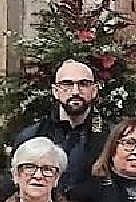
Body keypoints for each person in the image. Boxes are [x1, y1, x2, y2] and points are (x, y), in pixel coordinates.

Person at [10, 59, 107, 191]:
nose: (75, 91)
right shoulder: (32, 135)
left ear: (94, 90)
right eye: (67, 84)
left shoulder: (110, 137)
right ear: (55, 91)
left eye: (83, 84)